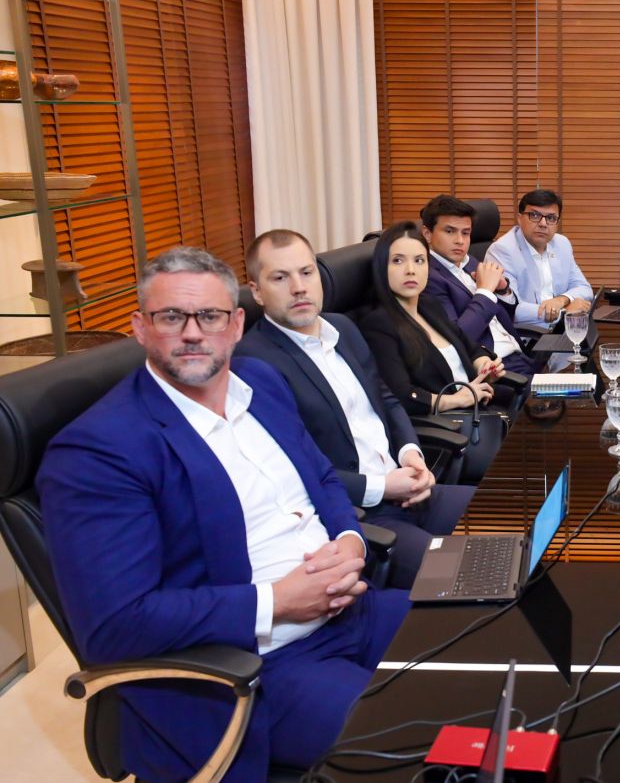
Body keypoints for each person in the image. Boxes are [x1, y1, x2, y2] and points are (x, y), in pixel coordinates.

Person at [37, 247, 410, 781]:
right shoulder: (99, 450)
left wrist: (350, 541)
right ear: (140, 328)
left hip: (355, 609)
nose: (193, 333)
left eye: (209, 316)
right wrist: (278, 601)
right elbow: (115, 625)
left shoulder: (262, 383)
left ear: (235, 325)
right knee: (432, 736)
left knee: (499, 655)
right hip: (260, 666)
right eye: (171, 317)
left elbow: (324, 479)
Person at [236, 229, 477, 590]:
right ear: (257, 291)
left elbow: (386, 399)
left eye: (306, 273)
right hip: (362, 515)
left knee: (520, 520)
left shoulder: (343, 328)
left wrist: (411, 454)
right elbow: (294, 470)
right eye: (280, 278)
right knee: (466, 576)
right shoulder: (253, 362)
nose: (299, 288)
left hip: (410, 487)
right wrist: (382, 487)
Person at [360, 221, 505, 419]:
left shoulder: (429, 305)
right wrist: (456, 400)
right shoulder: (378, 324)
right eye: (398, 261)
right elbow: (402, 395)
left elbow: (470, 347)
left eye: (419, 260)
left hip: (478, 410)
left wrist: (484, 365)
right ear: (381, 267)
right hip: (447, 424)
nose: (411, 270)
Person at [420, 194, 538, 375]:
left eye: (466, 233)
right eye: (450, 231)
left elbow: (506, 316)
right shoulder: (428, 278)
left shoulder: (470, 262)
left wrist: (503, 290)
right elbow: (456, 339)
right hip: (495, 370)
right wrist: (485, 292)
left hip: (521, 357)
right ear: (427, 234)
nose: (460, 240)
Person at [485, 188, 593, 329]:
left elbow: (584, 288)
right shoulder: (502, 251)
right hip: (526, 335)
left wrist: (562, 300)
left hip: (561, 330)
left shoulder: (562, 244)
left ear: (557, 223)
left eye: (550, 218)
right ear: (519, 218)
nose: (543, 223)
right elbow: (511, 308)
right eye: (535, 215)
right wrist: (563, 312)